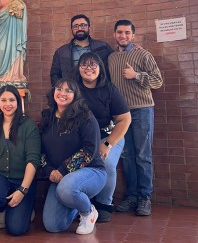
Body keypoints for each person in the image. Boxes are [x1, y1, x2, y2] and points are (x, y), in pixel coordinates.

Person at [108, 19, 163, 216]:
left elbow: (158, 81)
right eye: (119, 32)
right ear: (115, 35)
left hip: (142, 111)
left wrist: (136, 75)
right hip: (121, 115)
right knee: (127, 156)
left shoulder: (143, 54)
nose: (123, 36)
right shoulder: (111, 58)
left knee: (142, 155)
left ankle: (144, 197)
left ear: (133, 35)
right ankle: (131, 197)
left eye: (127, 33)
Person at [39, 79, 106, 235]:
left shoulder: (85, 117)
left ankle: (88, 211)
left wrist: (62, 170)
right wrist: (49, 170)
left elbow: (89, 150)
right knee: (53, 225)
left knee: (67, 188)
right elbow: (41, 151)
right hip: (59, 176)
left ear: (75, 95)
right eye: (59, 89)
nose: (63, 93)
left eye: (68, 91)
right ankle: (76, 204)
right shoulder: (47, 118)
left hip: (91, 172)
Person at [0, 85, 40, 236]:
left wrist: (23, 190)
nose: (8, 104)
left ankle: (25, 208)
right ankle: (2, 208)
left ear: (18, 102)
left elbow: (33, 159)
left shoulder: (28, 125)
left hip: (23, 181)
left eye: (12, 100)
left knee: (16, 229)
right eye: (3, 100)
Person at [76, 52, 131, 222]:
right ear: (78, 69)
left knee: (105, 163)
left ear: (100, 68)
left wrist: (107, 144)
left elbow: (125, 119)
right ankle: (83, 201)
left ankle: (104, 203)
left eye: (93, 65)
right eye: (84, 64)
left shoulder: (109, 89)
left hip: (108, 136)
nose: (89, 68)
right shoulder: (73, 88)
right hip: (82, 139)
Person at [50, 14, 114, 86]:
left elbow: (115, 65)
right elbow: (55, 74)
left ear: (89, 28)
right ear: (71, 30)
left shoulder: (103, 47)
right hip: (74, 92)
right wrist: (63, 89)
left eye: (83, 25)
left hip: (98, 91)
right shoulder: (61, 52)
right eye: (76, 26)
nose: (79, 28)